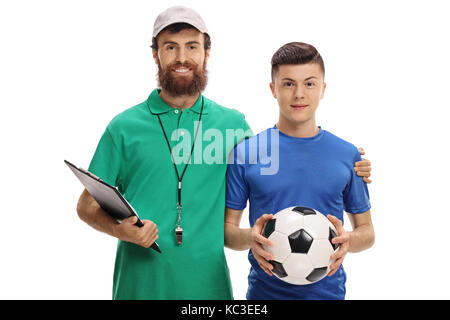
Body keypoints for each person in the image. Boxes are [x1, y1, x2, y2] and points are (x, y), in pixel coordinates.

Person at [75, 6, 372, 300]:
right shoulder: (123, 127)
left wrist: (346, 159)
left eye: (192, 46)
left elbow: (279, 156)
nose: (182, 57)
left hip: (210, 291)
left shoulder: (233, 126)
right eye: (170, 47)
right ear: (156, 54)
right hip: (138, 288)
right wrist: (124, 231)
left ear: (207, 52)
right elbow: (86, 205)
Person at [224, 42, 375, 300]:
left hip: (329, 294)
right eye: (288, 83)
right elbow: (227, 232)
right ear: (273, 89)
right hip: (264, 295)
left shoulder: (347, 154)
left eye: (309, 83)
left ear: (323, 89)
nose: (299, 94)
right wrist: (252, 238)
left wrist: (348, 240)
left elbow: (367, 232)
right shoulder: (245, 153)